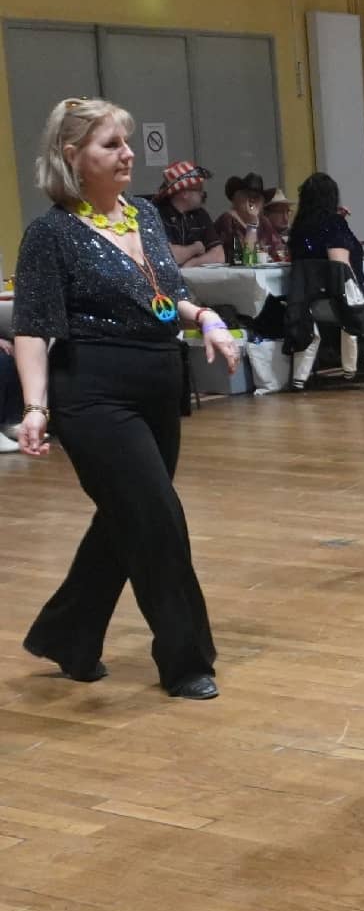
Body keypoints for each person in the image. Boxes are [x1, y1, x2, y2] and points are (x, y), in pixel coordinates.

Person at [13, 97, 241, 699]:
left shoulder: (142, 214)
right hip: (93, 391)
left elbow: (164, 295)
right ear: (72, 156)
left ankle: (68, 634)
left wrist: (207, 318)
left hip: (160, 382)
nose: (128, 154)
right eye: (110, 144)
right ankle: (185, 657)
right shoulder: (51, 232)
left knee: (127, 519)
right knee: (158, 520)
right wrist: (36, 408)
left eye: (126, 142)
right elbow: (34, 325)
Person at [286, 172, 364, 384]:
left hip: (306, 302)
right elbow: (341, 269)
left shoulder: (298, 229)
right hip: (339, 300)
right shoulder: (334, 225)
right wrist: (340, 226)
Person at [153, 160, 223, 268]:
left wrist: (191, 263)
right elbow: (167, 255)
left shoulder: (201, 214)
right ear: (184, 193)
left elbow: (219, 256)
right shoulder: (157, 214)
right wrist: (195, 248)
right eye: (199, 189)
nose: (202, 193)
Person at [210, 172, 271, 266]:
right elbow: (247, 260)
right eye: (248, 195)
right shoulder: (227, 220)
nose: (252, 200)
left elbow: (279, 251)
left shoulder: (264, 222)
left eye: (257, 196)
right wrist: (252, 225)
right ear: (235, 198)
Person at [263, 187, 293, 255]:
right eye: (280, 212)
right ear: (266, 214)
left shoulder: (291, 234)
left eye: (287, 211)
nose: (286, 218)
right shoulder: (260, 236)